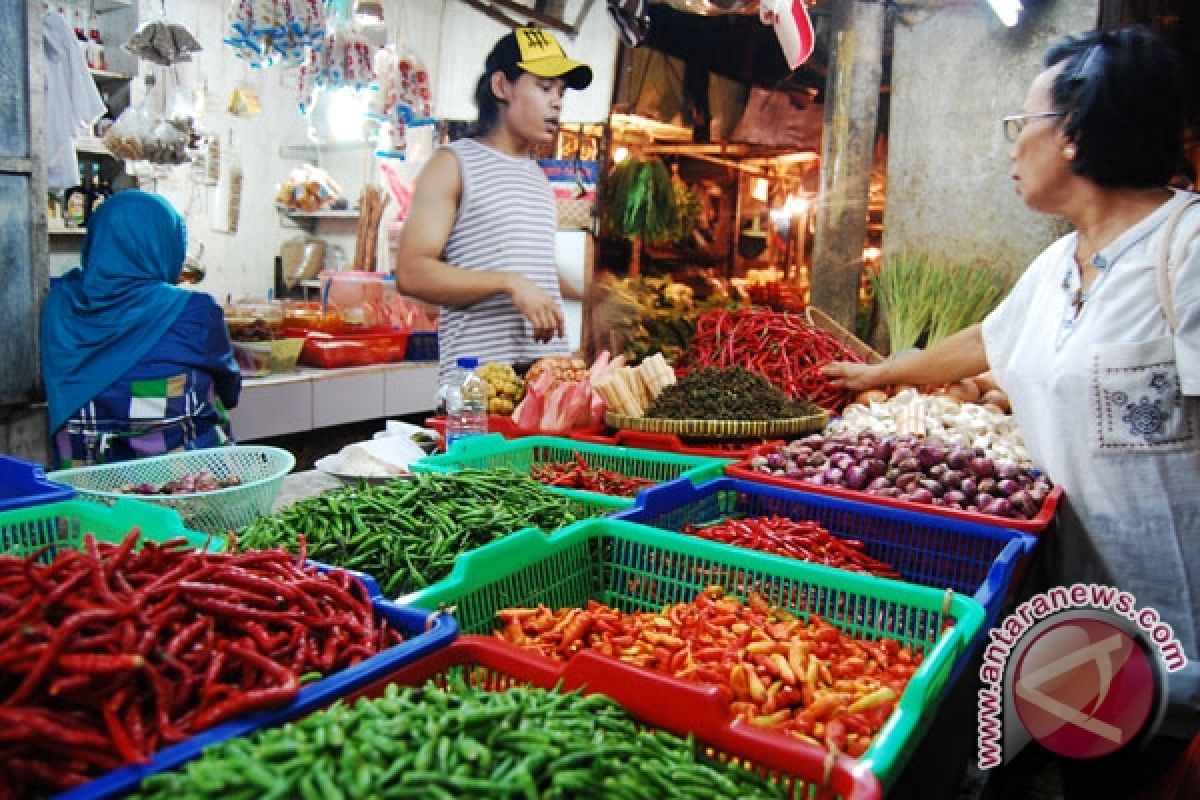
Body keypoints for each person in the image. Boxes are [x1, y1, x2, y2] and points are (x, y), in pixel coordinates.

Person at [822, 25, 1198, 797]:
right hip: (1085, 631)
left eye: (1019, 125)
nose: (1010, 147)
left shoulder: (1186, 250)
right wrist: (880, 371)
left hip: (1181, 642)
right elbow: (982, 341)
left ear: (1075, 136)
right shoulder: (1059, 263)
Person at [392, 26, 592, 383]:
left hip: (543, 385)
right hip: (478, 391)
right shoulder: (453, 164)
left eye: (561, 91)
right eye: (545, 88)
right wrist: (509, 283)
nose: (557, 102)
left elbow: (521, 267)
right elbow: (411, 272)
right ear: (502, 87)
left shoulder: (538, 179)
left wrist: (590, 294)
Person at [40, 189, 241, 467]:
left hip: (83, 490)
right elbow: (230, 392)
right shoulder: (195, 310)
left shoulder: (58, 302)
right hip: (183, 487)